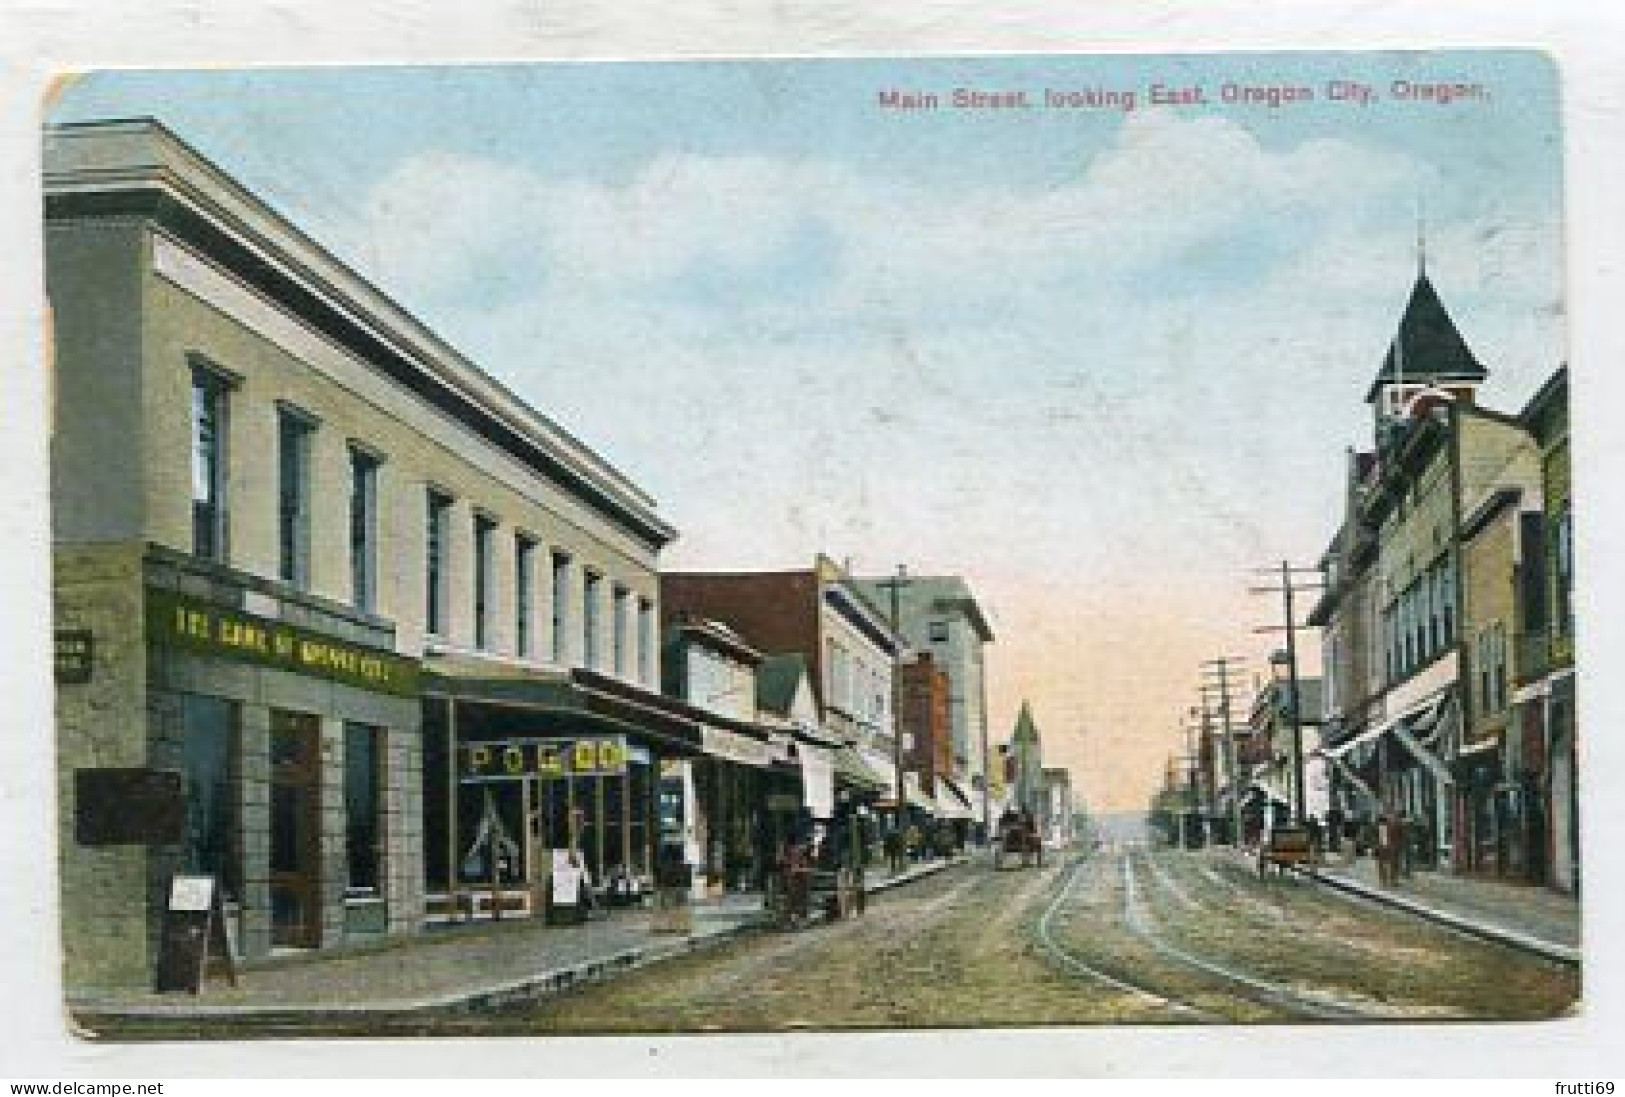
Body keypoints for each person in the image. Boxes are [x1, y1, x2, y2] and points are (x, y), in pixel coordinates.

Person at [1375, 810, 1397, 887]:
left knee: (1390, 864)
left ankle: (1390, 880)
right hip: (1383, 846)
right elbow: (1377, 837)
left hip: (1389, 846)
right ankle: (1384, 880)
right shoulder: (1381, 827)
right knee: (1383, 864)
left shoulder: (1391, 826)